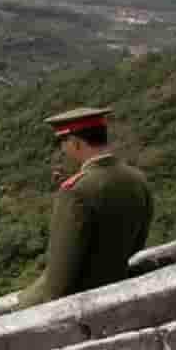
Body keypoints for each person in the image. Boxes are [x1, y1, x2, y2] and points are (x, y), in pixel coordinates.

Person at [19, 107, 153, 308]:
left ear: (75, 142)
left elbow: (59, 276)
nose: (63, 149)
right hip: (116, 284)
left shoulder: (75, 191)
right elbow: (137, 244)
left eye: (62, 142)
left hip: (80, 300)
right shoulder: (137, 178)